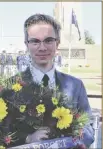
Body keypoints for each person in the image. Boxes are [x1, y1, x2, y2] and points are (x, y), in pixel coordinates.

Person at [14, 14, 94, 148]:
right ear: (26, 44)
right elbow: (0, 131)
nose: (42, 47)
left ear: (57, 43)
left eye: (48, 40)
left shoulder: (75, 85)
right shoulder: (11, 86)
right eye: (35, 41)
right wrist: (28, 138)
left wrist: (75, 141)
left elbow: (88, 127)